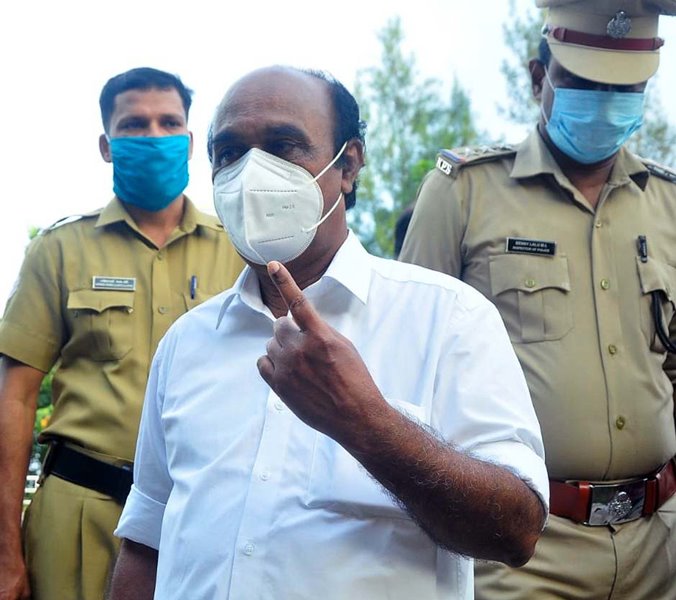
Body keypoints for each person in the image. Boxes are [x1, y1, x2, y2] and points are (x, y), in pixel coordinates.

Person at [107, 65, 548, 600]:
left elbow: (516, 530)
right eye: (229, 153)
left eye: (283, 146)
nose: (252, 172)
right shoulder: (187, 342)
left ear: (348, 165)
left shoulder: (448, 318)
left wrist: (364, 422)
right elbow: (147, 542)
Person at [399, 1, 676, 598]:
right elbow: (408, 366)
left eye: (625, 89)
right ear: (537, 77)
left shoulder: (668, 204)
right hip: (521, 548)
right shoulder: (464, 193)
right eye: (584, 83)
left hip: (659, 543)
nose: (604, 103)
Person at [0, 67, 244, 600]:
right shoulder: (59, 250)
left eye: (169, 123)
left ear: (189, 142)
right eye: (134, 125)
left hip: (200, 515)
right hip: (80, 516)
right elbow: (13, 400)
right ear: (107, 146)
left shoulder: (239, 251)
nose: (154, 136)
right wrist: (4, 550)